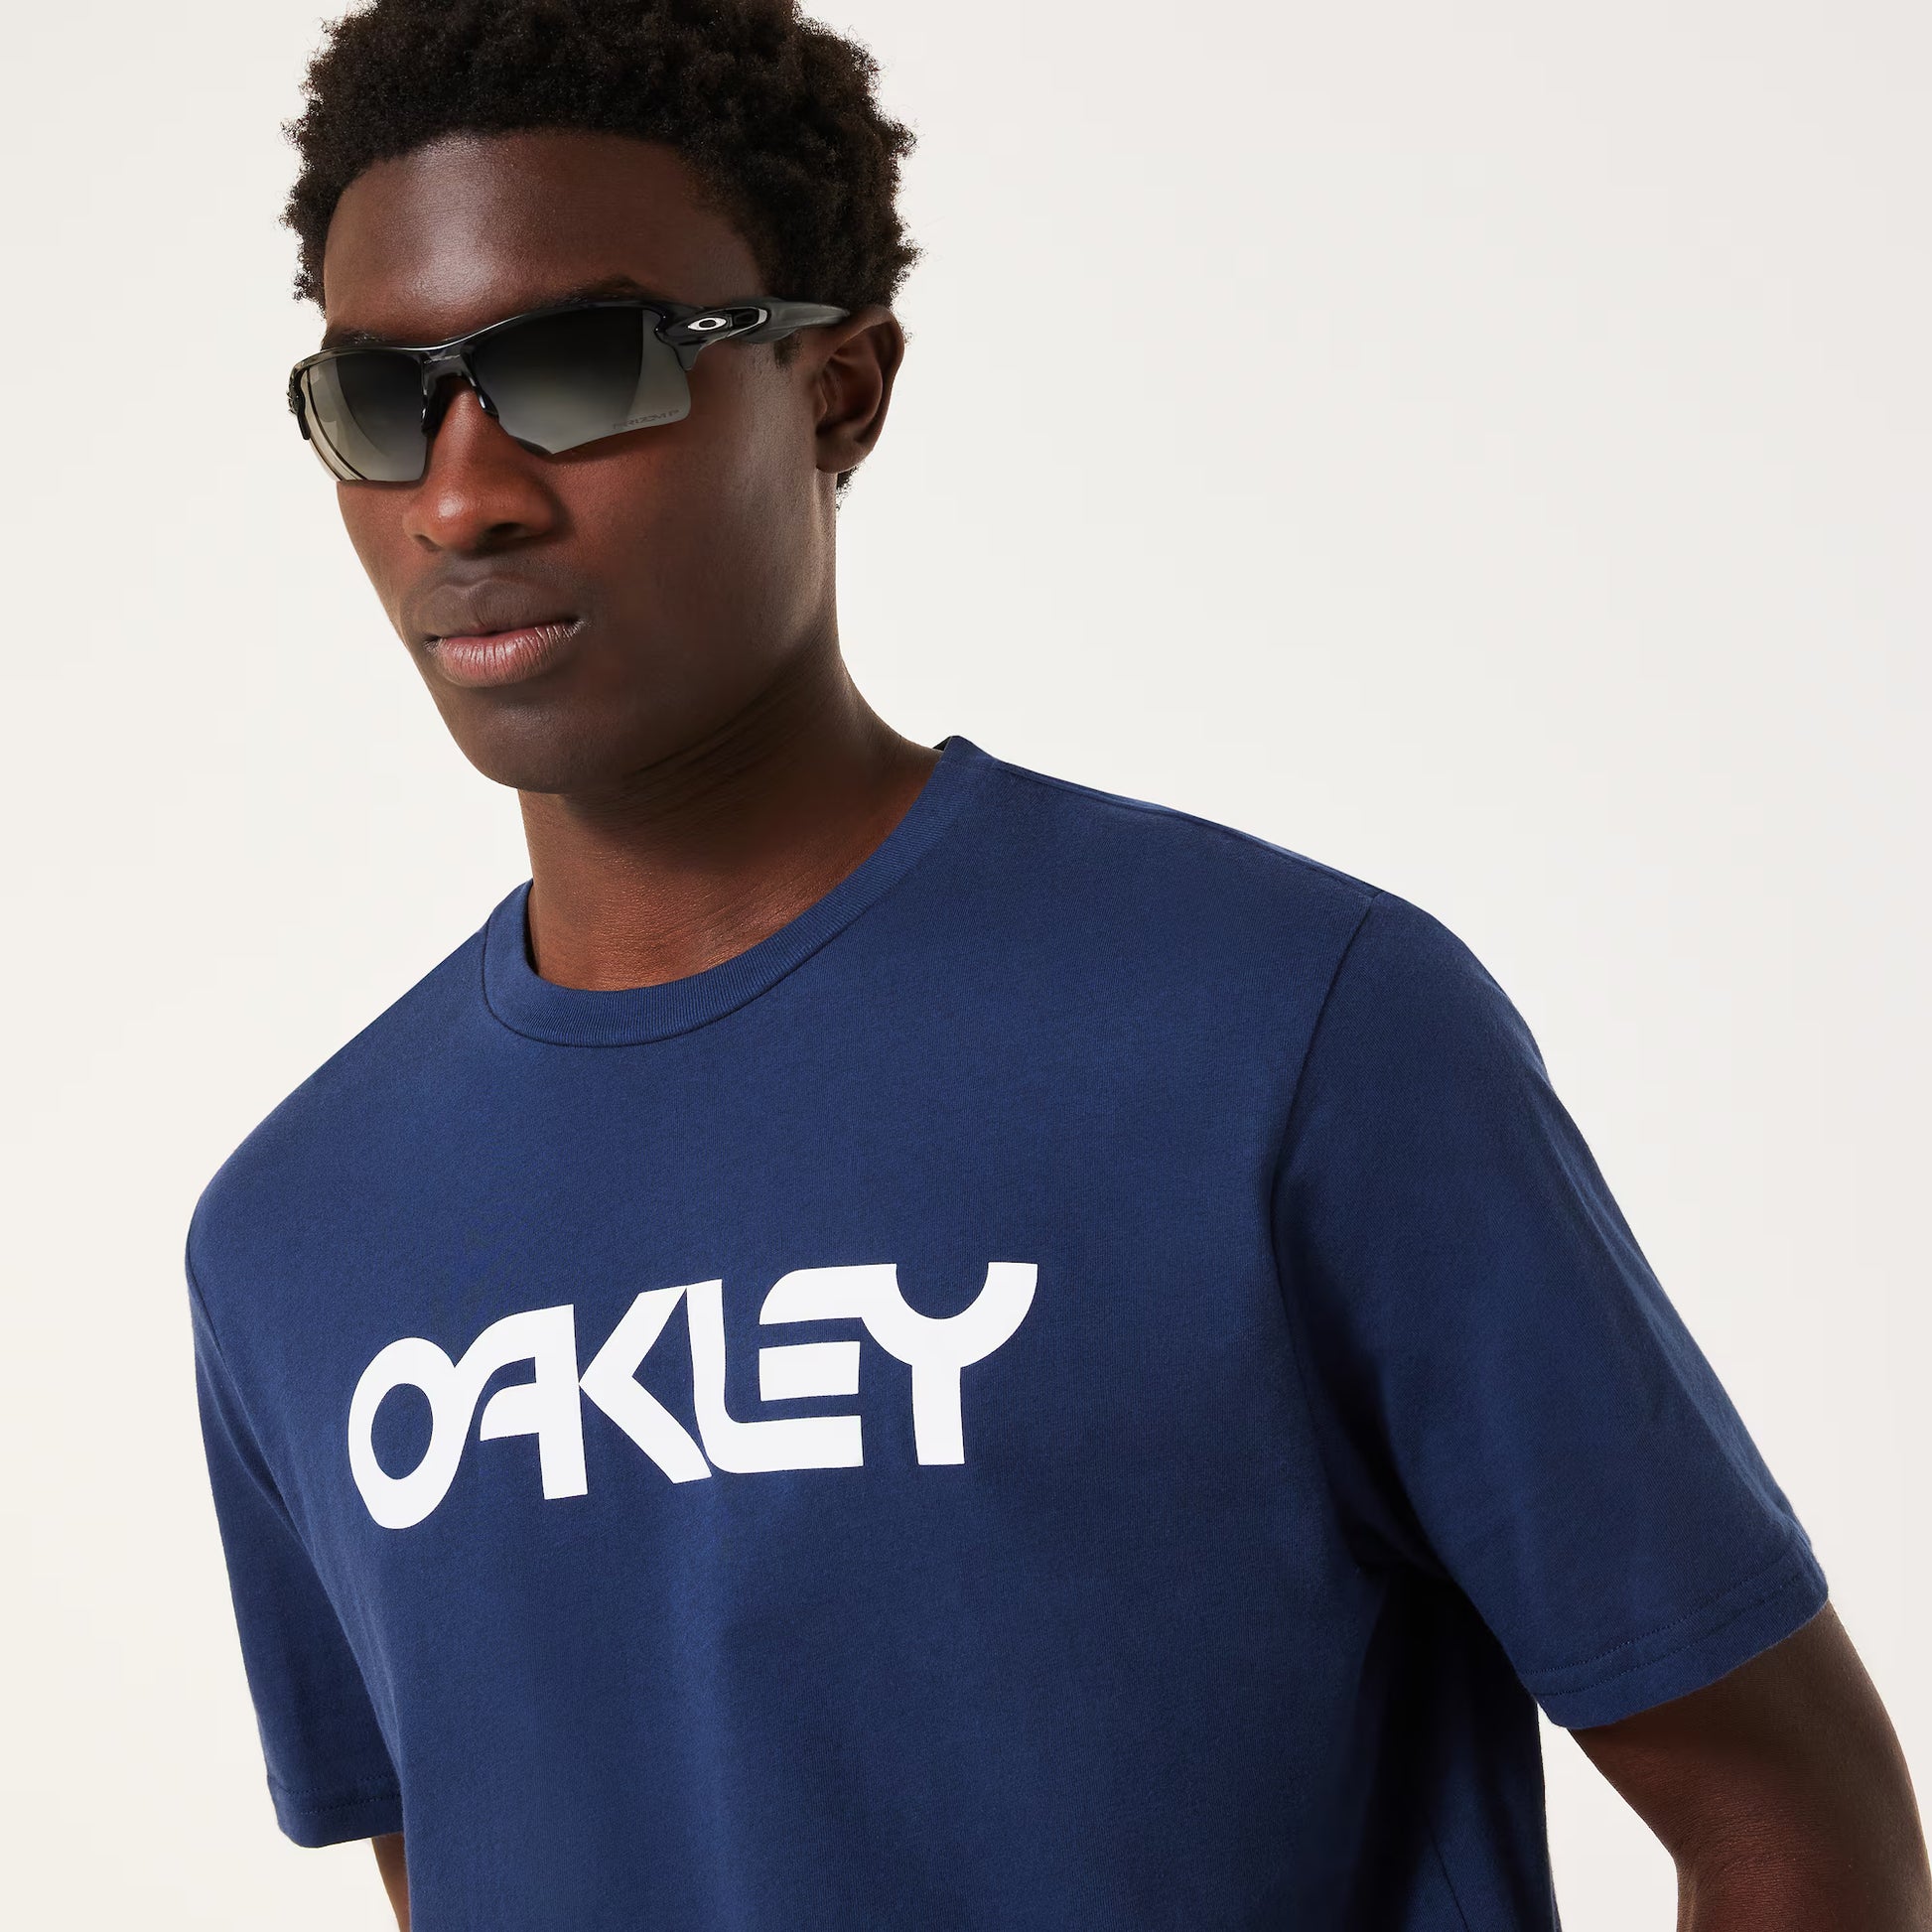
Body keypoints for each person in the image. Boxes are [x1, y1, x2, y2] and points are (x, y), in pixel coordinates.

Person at [186, 3, 1928, 1927]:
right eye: (382, 401)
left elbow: (1790, 1819)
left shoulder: (1284, 1032)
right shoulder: (297, 1232)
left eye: (579, 369)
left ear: (840, 390)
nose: (461, 498)